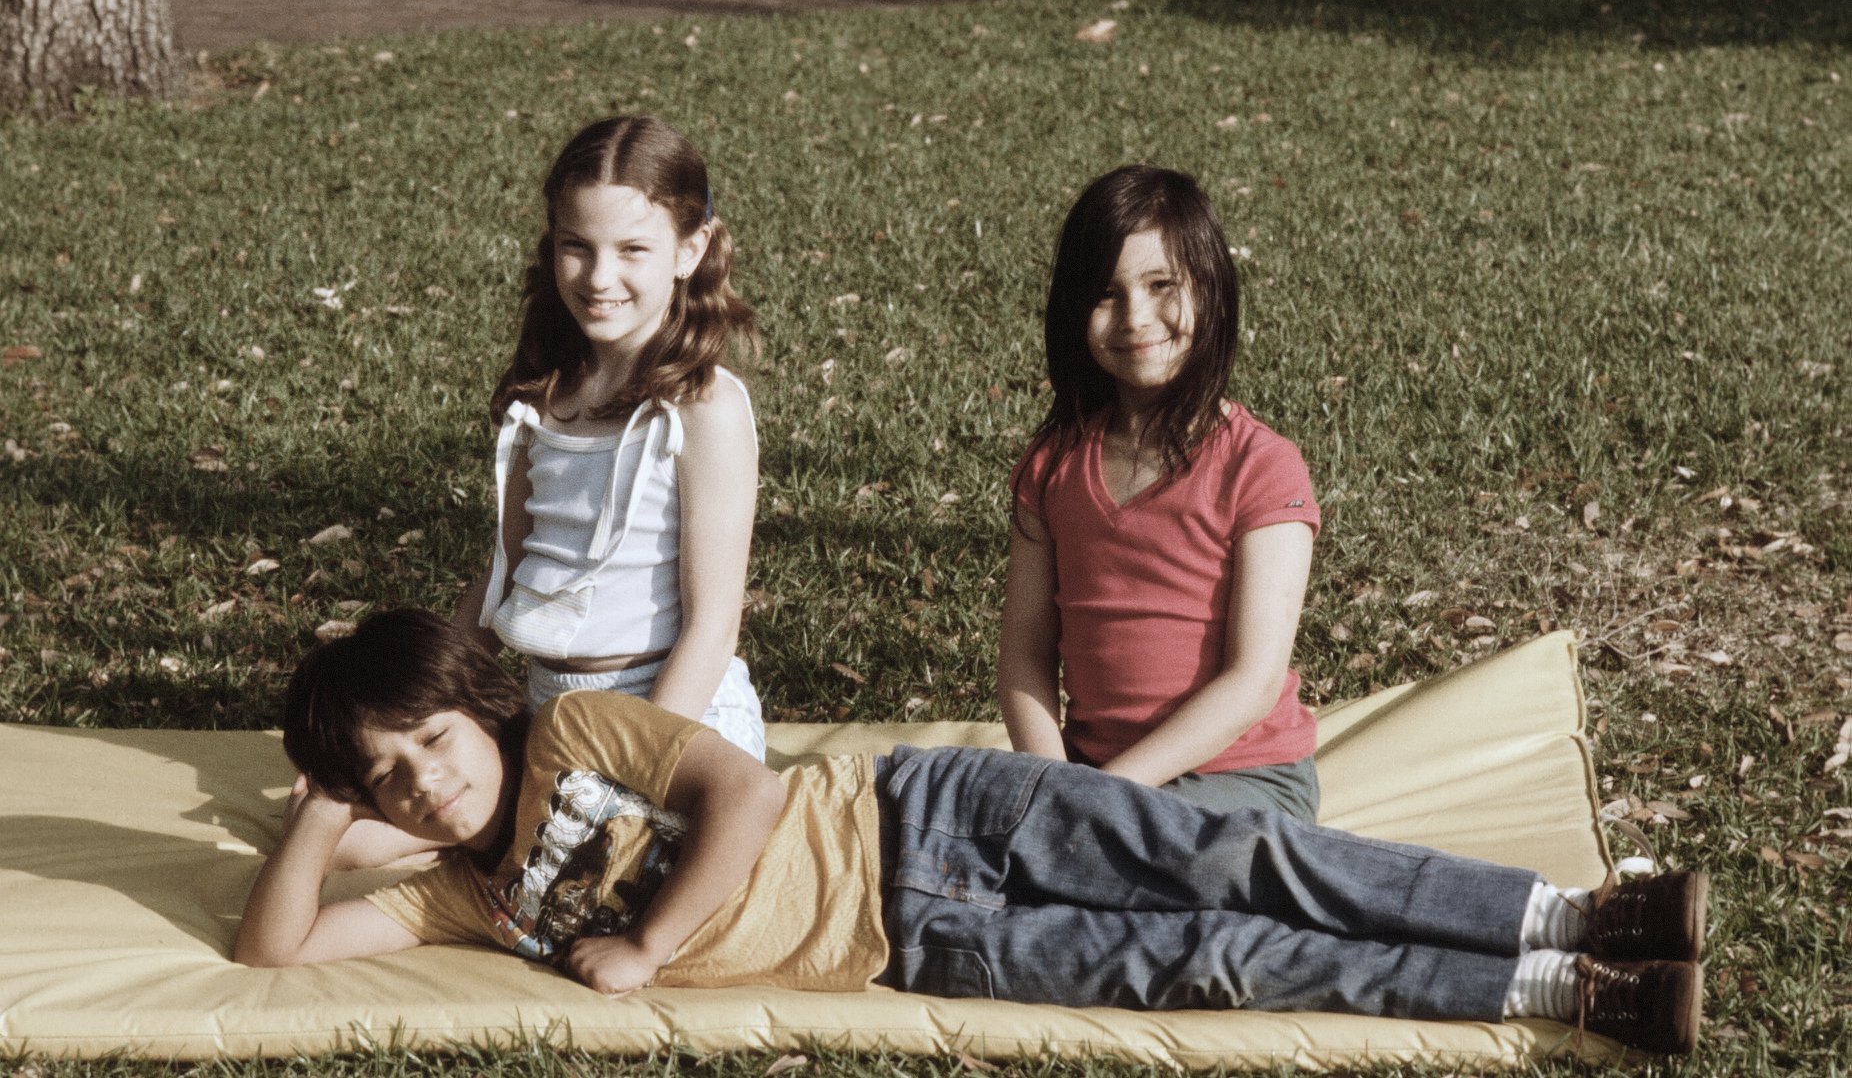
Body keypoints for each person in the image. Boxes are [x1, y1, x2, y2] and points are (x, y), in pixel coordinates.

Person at [237, 610, 1709, 1055]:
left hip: (926, 810)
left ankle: (1574, 913)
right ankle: (1563, 995)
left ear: (475, 710)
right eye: (388, 780)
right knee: (1214, 965)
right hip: (930, 940)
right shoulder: (456, 898)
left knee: (1237, 858)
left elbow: (742, 794)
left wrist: (649, 942)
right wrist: (316, 809)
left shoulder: (569, 732)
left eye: (424, 740)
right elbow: (280, 950)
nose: (422, 784)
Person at [322, 117, 764, 869]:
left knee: (581, 879)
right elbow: (503, 573)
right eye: (576, 247)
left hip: (667, 714)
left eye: (632, 251)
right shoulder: (545, 399)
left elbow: (713, 625)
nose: (598, 278)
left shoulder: (705, 407)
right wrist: (425, 707)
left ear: (689, 251)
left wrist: (631, 776)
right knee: (349, 841)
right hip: (544, 709)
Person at [1000, 164, 1324, 820]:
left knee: (1179, 859)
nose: (1135, 318)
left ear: (1210, 292)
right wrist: (1054, 789)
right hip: (1094, 782)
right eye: (1106, 294)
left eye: (1160, 286)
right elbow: (1023, 657)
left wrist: (1101, 799)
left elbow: (1254, 683)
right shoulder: (1053, 465)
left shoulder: (1263, 467)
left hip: (1244, 780)